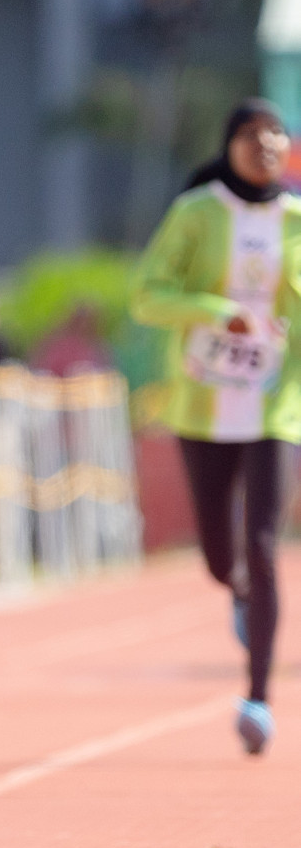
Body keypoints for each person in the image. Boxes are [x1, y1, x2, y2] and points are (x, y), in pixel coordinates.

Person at [130, 97, 301, 756]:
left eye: (276, 137)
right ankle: (232, 587)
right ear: (229, 143)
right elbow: (148, 294)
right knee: (220, 557)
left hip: (277, 405)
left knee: (263, 543)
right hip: (203, 405)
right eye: (252, 137)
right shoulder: (197, 213)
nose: (265, 148)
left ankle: (258, 697)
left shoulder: (295, 220)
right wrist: (214, 311)